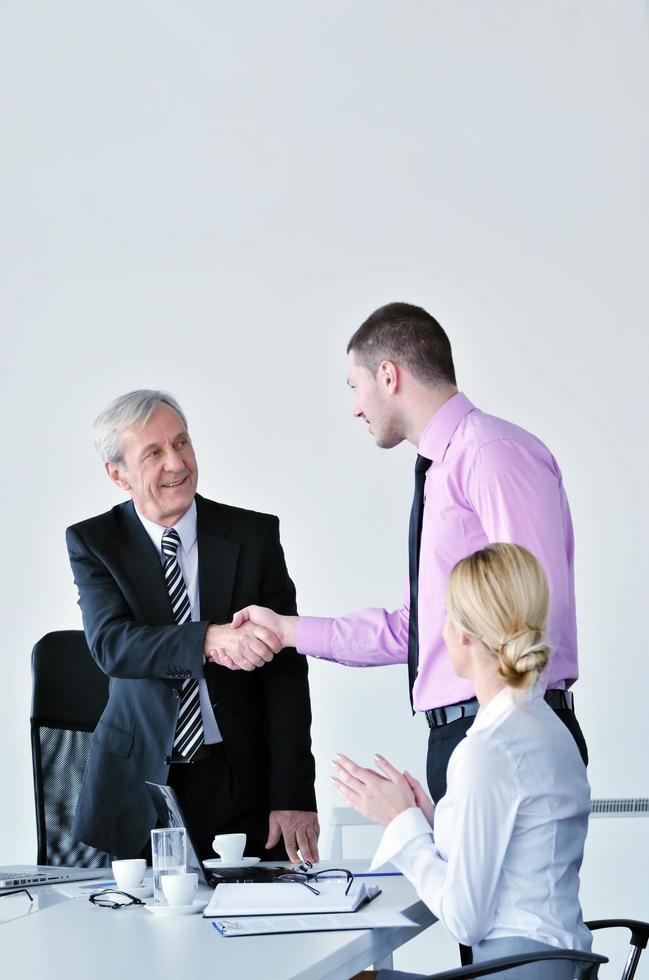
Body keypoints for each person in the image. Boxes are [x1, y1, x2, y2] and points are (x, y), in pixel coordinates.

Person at [232, 302, 587, 801]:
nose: (356, 406)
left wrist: (500, 736)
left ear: (388, 375)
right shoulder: (440, 470)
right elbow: (413, 631)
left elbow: (534, 607)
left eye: (355, 387)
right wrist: (287, 630)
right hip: (465, 734)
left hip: (506, 731)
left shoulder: (490, 453)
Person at [66, 389, 319, 862]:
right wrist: (206, 638)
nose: (176, 463)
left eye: (181, 443)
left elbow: (286, 675)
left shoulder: (254, 536)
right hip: (137, 786)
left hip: (239, 781)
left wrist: (294, 794)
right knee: (130, 934)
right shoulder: (94, 542)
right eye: (154, 453)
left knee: (259, 929)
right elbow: (112, 644)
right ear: (117, 474)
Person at [333, 543, 592, 980]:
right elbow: (516, 846)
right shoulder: (543, 724)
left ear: (468, 634)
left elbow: (464, 919)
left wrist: (401, 825)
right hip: (557, 963)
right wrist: (428, 819)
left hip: (516, 969)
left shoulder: (488, 750)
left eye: (448, 615)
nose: (442, 630)